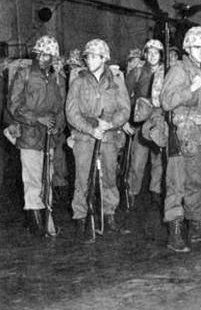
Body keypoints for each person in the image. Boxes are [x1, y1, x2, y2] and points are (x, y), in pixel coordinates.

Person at [160, 26, 201, 253]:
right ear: (188, 48)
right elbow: (166, 102)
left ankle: (196, 227)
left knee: (198, 182)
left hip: (200, 133)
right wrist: (190, 89)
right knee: (176, 183)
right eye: (198, 46)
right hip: (181, 134)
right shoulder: (178, 70)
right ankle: (175, 232)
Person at [66, 39, 131, 242]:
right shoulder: (78, 81)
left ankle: (109, 216)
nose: (89, 60)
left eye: (94, 56)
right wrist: (90, 129)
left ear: (104, 59)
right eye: (87, 56)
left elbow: (125, 109)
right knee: (83, 179)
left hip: (109, 138)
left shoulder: (116, 81)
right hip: (85, 138)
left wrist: (110, 124)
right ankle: (81, 219)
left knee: (110, 177)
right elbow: (71, 112)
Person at [7, 35, 66, 235]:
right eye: (39, 54)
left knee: (47, 178)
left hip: (48, 138)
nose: (42, 58)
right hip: (29, 135)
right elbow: (14, 106)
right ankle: (35, 222)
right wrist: (37, 119)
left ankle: (46, 217)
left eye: (47, 55)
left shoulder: (55, 79)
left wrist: (57, 126)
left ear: (53, 57)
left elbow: (59, 109)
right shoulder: (23, 74)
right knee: (32, 179)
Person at [123, 39, 165, 209]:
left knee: (159, 161)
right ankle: (132, 193)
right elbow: (124, 98)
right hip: (140, 122)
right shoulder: (137, 72)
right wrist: (125, 121)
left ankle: (156, 193)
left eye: (156, 52)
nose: (152, 56)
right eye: (150, 52)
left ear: (161, 55)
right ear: (145, 54)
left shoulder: (166, 72)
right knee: (137, 161)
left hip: (158, 122)